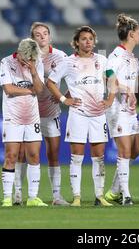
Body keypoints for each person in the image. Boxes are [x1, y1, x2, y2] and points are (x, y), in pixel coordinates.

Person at [47, 26, 114, 207]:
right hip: (78, 114)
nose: (88, 42)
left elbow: (112, 79)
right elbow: (50, 82)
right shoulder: (68, 62)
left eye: (90, 39)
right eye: (83, 39)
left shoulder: (102, 59)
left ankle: (99, 196)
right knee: (77, 156)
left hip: (98, 115)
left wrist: (110, 100)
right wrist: (63, 99)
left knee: (98, 156)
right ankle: (77, 197)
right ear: (76, 42)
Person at [13, 22, 70, 206]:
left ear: (50, 37)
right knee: (22, 153)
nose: (42, 36)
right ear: (32, 38)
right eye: (38, 34)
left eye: (45, 33)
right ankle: (18, 194)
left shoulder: (60, 56)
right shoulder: (26, 57)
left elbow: (75, 80)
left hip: (52, 112)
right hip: (30, 113)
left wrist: (63, 96)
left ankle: (56, 196)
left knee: (53, 153)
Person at [0, 38, 47, 207]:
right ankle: (7, 197)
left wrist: (34, 72)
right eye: (27, 59)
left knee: (34, 155)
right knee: (11, 155)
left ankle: (33, 197)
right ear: (19, 53)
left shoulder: (37, 63)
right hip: (13, 117)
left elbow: (40, 91)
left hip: (32, 117)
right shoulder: (6, 62)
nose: (29, 62)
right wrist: (29, 90)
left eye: (33, 59)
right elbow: (8, 89)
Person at [104, 14, 139, 206]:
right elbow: (109, 77)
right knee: (125, 151)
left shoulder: (132, 58)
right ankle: (126, 195)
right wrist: (126, 89)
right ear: (131, 34)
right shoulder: (116, 55)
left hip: (130, 110)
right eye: (138, 32)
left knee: (136, 151)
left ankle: (113, 191)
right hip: (116, 109)